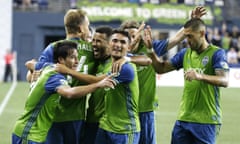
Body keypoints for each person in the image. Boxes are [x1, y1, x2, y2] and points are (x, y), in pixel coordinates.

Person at [119, 6, 207, 144]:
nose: (132, 38)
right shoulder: (118, 54)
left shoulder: (150, 48)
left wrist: (193, 21)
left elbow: (177, 38)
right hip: (125, 111)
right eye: (129, 36)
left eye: (134, 34)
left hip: (146, 110)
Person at [144, 18, 229, 144]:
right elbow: (160, 68)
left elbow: (224, 80)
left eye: (190, 36)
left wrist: (200, 76)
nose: (187, 41)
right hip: (184, 119)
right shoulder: (185, 53)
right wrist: (150, 50)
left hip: (207, 121)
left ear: (201, 33)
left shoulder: (217, 53)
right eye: (186, 36)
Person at [12, 40, 115, 144]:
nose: (77, 61)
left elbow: (30, 63)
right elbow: (70, 93)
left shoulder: (48, 66)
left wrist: (33, 74)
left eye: (77, 57)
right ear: (61, 59)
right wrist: (98, 85)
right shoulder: (54, 77)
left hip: (35, 134)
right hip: (29, 133)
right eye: (72, 57)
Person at [25, 9, 96, 144]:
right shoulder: (93, 50)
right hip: (76, 115)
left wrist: (31, 67)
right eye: (88, 25)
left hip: (53, 114)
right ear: (81, 28)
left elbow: (33, 77)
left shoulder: (54, 47)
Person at [94, 29, 140, 144]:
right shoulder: (108, 64)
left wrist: (68, 71)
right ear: (109, 45)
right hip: (106, 125)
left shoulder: (126, 67)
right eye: (115, 41)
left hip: (125, 129)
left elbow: (95, 81)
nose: (118, 45)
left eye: (123, 42)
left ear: (128, 48)